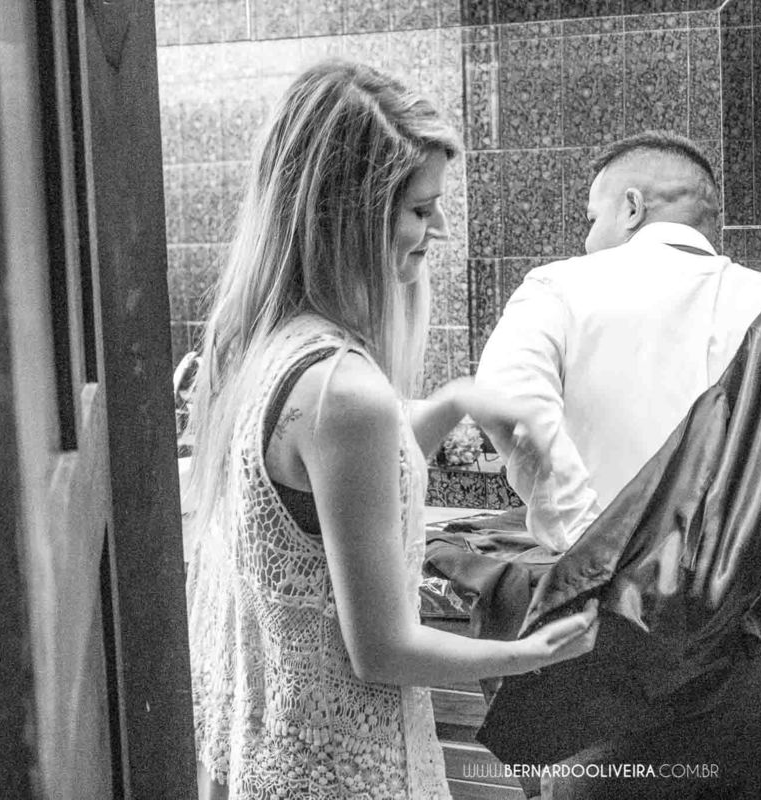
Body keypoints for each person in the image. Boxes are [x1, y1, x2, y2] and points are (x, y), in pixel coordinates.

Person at [473, 131, 761, 797]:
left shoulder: (560, 289)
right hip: (737, 666)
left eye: (591, 217)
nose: (586, 237)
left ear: (631, 207)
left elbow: (507, 409)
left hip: (604, 660)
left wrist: (591, 542)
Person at [182, 60, 598, 800]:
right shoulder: (346, 392)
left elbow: (332, 491)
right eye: (419, 209)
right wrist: (531, 651)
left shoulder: (256, 348)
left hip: (274, 762)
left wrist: (455, 401)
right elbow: (382, 650)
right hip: (344, 776)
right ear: (347, 214)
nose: (440, 229)